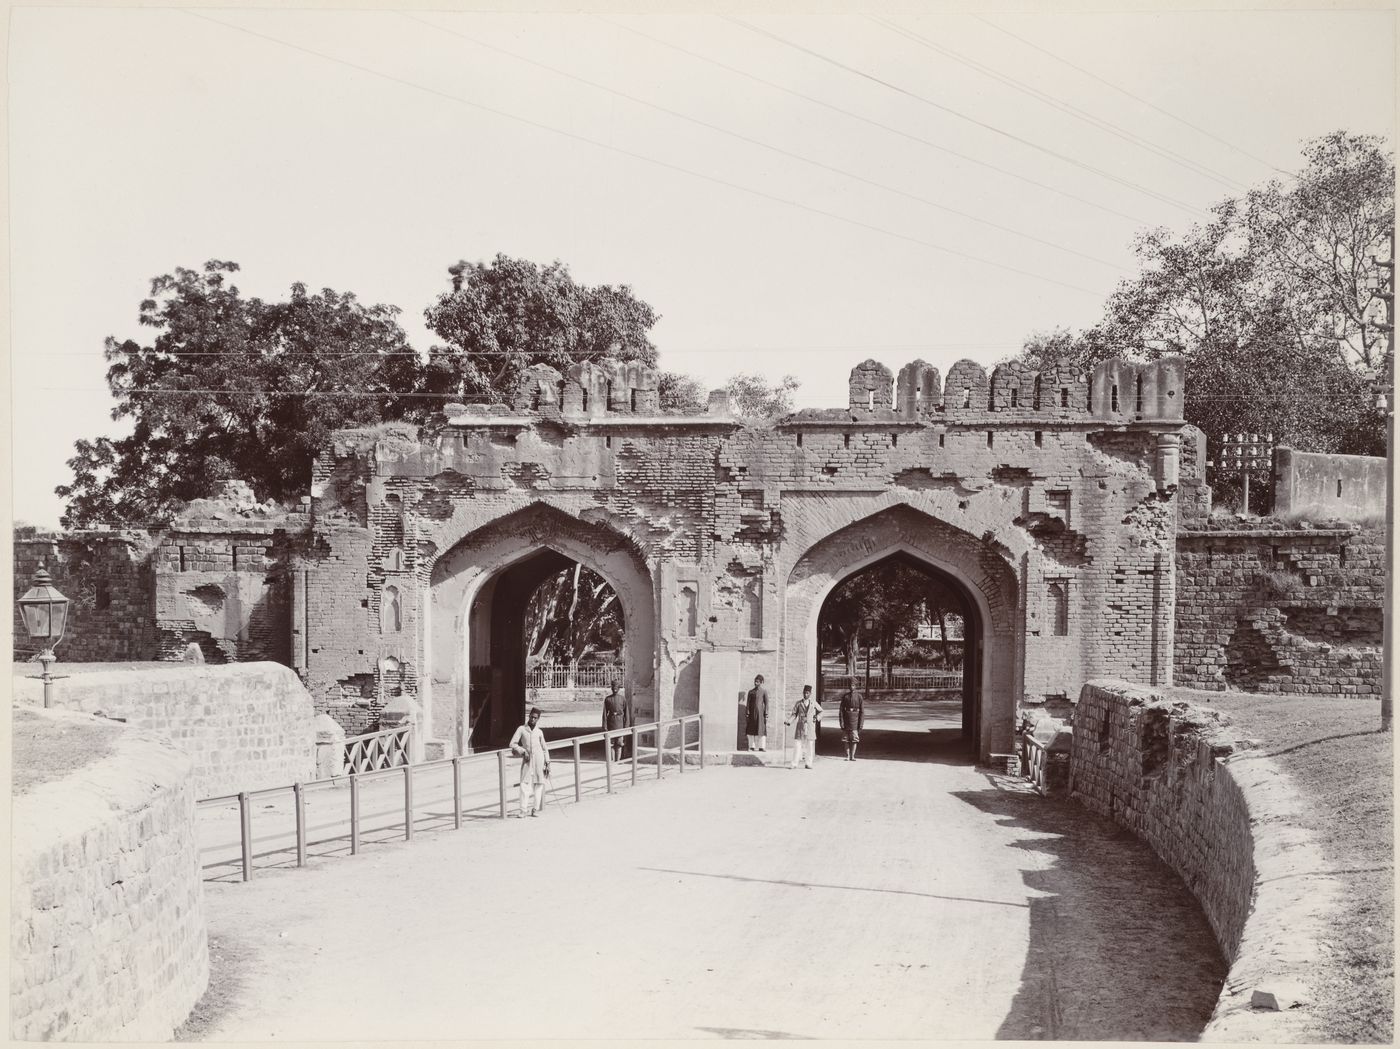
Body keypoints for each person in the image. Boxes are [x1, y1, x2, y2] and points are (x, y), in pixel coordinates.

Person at [509, 706, 550, 817]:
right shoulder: (521, 729)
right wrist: (522, 751)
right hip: (527, 761)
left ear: (538, 719)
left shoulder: (539, 732)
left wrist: (548, 762)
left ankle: (535, 809)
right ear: (529, 716)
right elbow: (512, 743)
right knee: (524, 785)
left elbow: (545, 748)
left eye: (535, 718)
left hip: (539, 760)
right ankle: (523, 810)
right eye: (531, 717)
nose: (533, 720)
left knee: (539, 784)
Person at [787, 685, 822, 769]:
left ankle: (808, 763)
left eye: (807, 693)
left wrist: (816, 718)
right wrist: (789, 721)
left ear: (810, 694)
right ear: (803, 693)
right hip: (800, 726)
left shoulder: (813, 703)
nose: (805, 694)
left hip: (810, 727)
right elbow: (794, 714)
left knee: (810, 745)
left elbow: (821, 711)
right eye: (804, 693)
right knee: (797, 744)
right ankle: (794, 763)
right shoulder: (798, 703)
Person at [602, 681, 627, 761]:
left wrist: (626, 726)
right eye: (613, 687)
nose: (615, 689)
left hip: (620, 724)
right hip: (611, 723)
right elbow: (605, 713)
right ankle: (612, 760)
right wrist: (605, 726)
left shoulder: (622, 699)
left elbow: (627, 713)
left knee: (619, 743)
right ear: (611, 688)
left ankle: (618, 760)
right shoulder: (608, 699)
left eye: (616, 687)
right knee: (611, 743)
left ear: (619, 688)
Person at [839, 688, 865, 761]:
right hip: (846, 720)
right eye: (850, 685)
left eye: (853, 685)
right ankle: (847, 755)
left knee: (854, 739)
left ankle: (852, 756)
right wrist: (841, 722)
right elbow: (841, 710)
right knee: (846, 739)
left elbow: (862, 712)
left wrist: (861, 724)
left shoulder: (859, 697)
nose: (851, 687)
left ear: (856, 686)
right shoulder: (845, 696)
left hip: (855, 720)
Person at [745, 674, 769, 752]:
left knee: (761, 730)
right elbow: (748, 703)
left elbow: (766, 703)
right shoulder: (751, 692)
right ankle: (752, 747)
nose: (755, 683)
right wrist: (747, 713)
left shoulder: (764, 692)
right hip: (752, 714)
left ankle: (762, 747)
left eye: (757, 682)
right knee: (751, 729)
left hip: (760, 715)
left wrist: (766, 714)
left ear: (761, 682)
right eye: (755, 681)